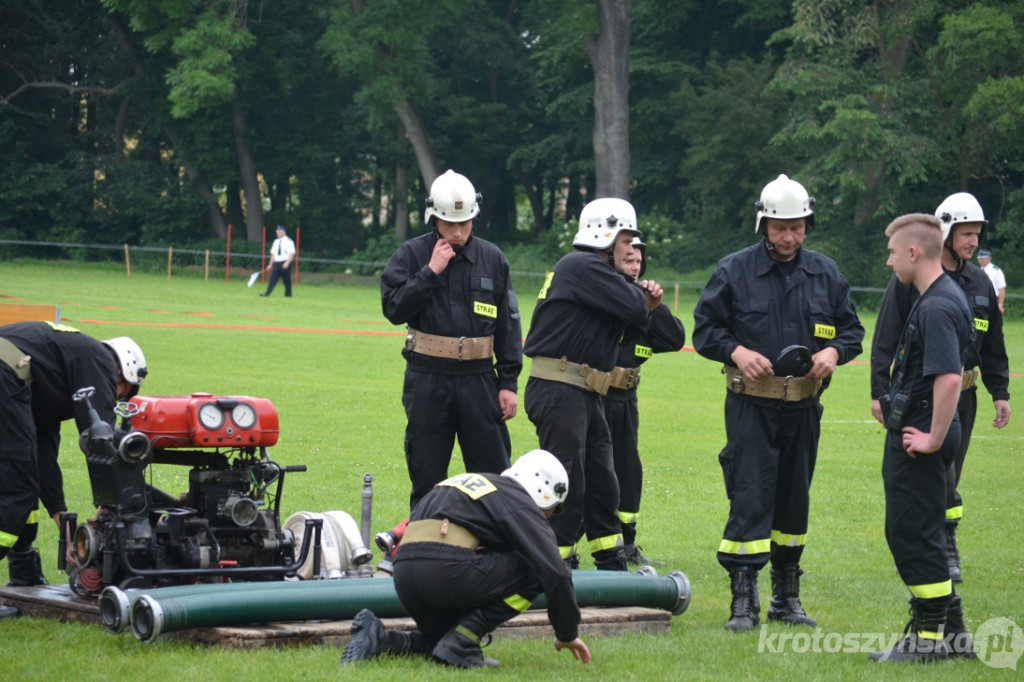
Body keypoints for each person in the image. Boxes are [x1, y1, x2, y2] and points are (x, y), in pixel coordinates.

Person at [692, 174, 864, 632]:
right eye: (780, 227)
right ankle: (743, 600)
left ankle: (786, 599)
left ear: (807, 224)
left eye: (798, 227)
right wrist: (736, 351)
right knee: (750, 496)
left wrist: (834, 352)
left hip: (804, 408)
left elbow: (852, 332)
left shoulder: (826, 273)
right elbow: (705, 330)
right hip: (752, 406)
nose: (789, 237)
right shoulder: (733, 271)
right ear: (763, 224)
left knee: (793, 501)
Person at [870, 192, 1010, 584]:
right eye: (966, 234)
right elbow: (885, 339)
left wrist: (1000, 391)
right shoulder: (912, 282)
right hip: (923, 395)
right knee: (935, 477)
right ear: (945, 235)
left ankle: (941, 545)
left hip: (962, 393)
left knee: (950, 472)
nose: (973, 242)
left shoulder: (978, 283)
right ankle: (939, 550)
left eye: (977, 234)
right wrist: (880, 391)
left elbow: (992, 345)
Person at [340, 449, 591, 669]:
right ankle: (463, 643)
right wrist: (567, 632)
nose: (549, 516)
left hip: (405, 577)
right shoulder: (518, 499)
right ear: (544, 491)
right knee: (535, 570)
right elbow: (556, 572)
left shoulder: (471, 483)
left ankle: (380, 637)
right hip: (445, 573)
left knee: (439, 643)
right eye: (553, 509)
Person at [523, 197, 662, 571]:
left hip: (584, 391)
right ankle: (556, 566)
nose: (633, 249)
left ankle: (610, 561)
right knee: (569, 483)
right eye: (627, 240)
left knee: (603, 481)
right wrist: (642, 297)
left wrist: (642, 300)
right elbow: (636, 310)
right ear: (606, 234)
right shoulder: (583, 265)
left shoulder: (595, 272)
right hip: (560, 388)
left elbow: (648, 323)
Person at [380, 170, 522, 513]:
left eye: (465, 223)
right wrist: (430, 271)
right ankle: (424, 548)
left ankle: (497, 550)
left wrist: (508, 383)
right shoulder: (411, 255)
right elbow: (393, 308)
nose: (457, 232)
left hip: (479, 380)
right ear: (434, 218)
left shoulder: (492, 258)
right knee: (426, 473)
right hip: (427, 378)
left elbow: (508, 323)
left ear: (475, 216)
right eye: (448, 223)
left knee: (493, 476)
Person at [869, 213, 976, 663]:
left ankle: (926, 642)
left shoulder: (935, 305)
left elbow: (949, 379)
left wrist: (932, 438)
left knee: (911, 533)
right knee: (925, 531)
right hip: (921, 431)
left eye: (893, 253)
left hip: (921, 438)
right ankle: (954, 635)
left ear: (913, 252)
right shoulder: (938, 296)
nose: (890, 262)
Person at [0, 321, 147, 618]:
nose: (115, 397)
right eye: (121, 393)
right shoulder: (101, 361)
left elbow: (42, 460)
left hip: (8, 378)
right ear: (122, 372)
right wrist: (115, 506)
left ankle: (24, 575)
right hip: (5, 375)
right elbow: (102, 444)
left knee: (24, 479)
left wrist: (61, 517)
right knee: (17, 490)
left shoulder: (53, 378)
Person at [605, 238, 686, 566]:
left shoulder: (645, 304)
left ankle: (628, 541)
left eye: (639, 262)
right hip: (595, 394)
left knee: (628, 469)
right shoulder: (604, 296)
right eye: (628, 261)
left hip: (626, 398)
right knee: (590, 468)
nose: (635, 267)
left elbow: (675, 339)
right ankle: (570, 542)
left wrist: (652, 308)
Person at [260, 225, 296, 297]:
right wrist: (270, 264)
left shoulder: (289, 241)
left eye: (279, 232)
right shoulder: (276, 242)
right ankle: (267, 293)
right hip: (276, 263)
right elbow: (273, 254)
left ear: (283, 233)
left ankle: (288, 294)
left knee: (286, 280)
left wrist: (287, 262)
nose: (277, 233)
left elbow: (292, 253)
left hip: (284, 263)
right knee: (273, 279)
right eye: (277, 232)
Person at [977, 249, 1006, 314]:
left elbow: (1001, 289)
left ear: (989, 259)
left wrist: (1000, 305)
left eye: (983, 259)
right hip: (981, 299)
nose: (981, 261)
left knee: (992, 322)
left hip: (993, 299)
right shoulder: (978, 271)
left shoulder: (996, 271)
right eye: (979, 259)